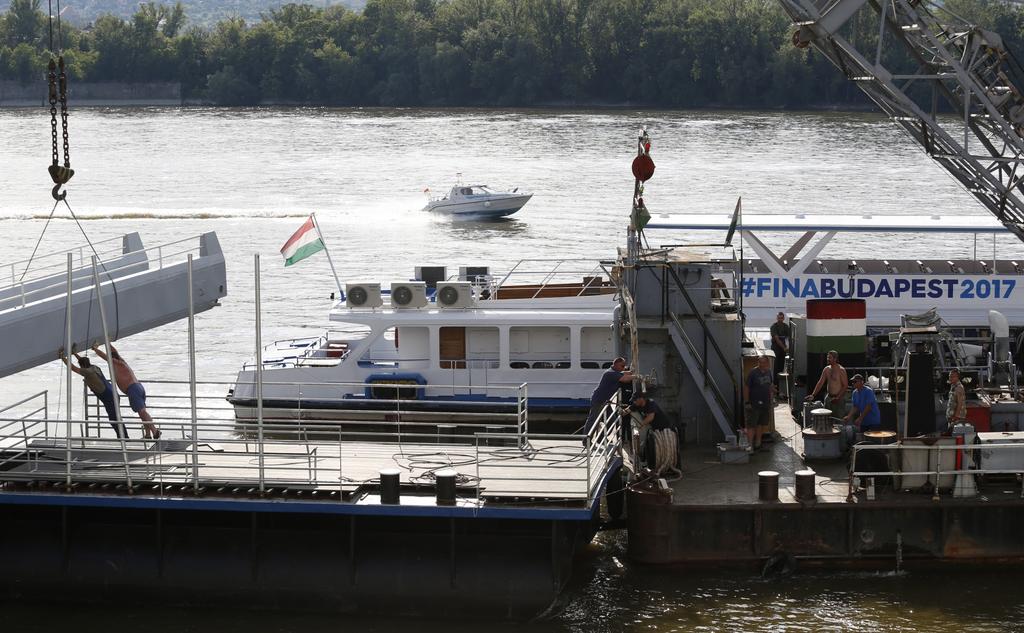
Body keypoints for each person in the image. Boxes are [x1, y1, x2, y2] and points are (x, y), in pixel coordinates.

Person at [92, 343, 161, 439]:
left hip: (133, 389)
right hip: (138, 387)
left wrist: (95, 349)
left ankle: (155, 431)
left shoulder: (115, 362)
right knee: (142, 412)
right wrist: (107, 343)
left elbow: (105, 356)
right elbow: (115, 351)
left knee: (142, 412)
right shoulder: (122, 361)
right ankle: (148, 434)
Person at [60, 349, 127, 439]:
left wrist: (62, 357)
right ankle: (123, 436)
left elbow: (72, 367)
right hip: (113, 393)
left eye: (81, 365)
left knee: (114, 419)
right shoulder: (94, 367)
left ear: (83, 365)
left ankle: (123, 437)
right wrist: (75, 353)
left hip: (109, 397)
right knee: (116, 417)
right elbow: (82, 361)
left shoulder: (86, 371)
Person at [584, 357, 633, 434]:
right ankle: (586, 440)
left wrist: (631, 372)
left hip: (605, 401)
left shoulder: (614, 372)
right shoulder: (610, 374)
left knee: (611, 421)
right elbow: (625, 379)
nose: (624, 368)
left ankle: (601, 439)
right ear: (616, 365)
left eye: (624, 366)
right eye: (622, 366)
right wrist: (637, 377)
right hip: (599, 400)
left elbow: (623, 373)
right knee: (593, 420)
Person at [627, 393, 676, 467]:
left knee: (665, 446)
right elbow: (628, 409)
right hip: (654, 430)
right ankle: (650, 463)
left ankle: (666, 463)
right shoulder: (637, 405)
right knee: (651, 445)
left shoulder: (651, 403)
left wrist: (640, 425)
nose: (634, 402)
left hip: (664, 428)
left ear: (641, 399)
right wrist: (622, 412)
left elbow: (650, 417)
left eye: (635, 400)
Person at [805, 350, 849, 421]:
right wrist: (813, 395)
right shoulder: (826, 369)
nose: (827, 359)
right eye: (827, 357)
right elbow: (820, 383)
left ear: (835, 359)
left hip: (839, 399)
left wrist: (838, 397)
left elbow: (845, 386)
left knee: (839, 420)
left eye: (830, 358)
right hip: (829, 398)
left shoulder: (841, 370)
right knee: (827, 420)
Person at [744, 355, 775, 450]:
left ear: (767, 363)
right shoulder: (753, 373)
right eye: (760, 362)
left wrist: (773, 395)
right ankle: (750, 446)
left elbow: (770, 385)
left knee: (761, 424)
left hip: (765, 403)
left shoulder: (769, 372)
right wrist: (747, 402)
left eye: (764, 362)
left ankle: (758, 443)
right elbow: (746, 388)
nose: (762, 364)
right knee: (751, 425)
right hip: (754, 403)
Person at [769, 312, 790, 391]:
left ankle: (780, 388)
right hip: (776, 349)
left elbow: (789, 337)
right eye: (779, 318)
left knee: (781, 368)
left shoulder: (786, 327)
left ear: (783, 318)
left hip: (783, 349)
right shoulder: (774, 327)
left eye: (781, 318)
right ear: (777, 318)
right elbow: (777, 339)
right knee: (775, 368)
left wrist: (787, 347)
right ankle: (775, 386)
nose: (780, 319)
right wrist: (784, 348)